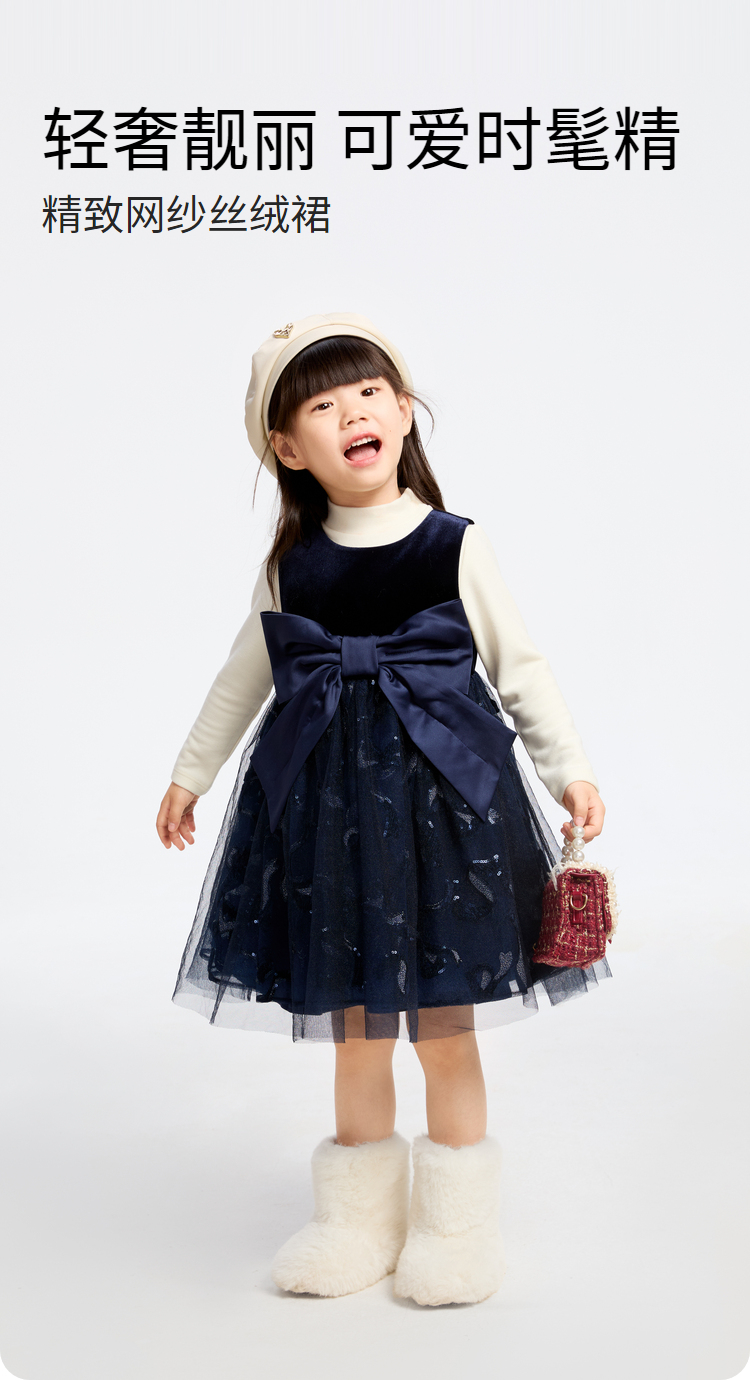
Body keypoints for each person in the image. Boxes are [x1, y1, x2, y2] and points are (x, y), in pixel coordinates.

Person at [155, 312, 608, 1307]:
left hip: (448, 818)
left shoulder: (456, 545)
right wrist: (191, 774)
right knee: (355, 1031)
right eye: (322, 405)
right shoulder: (292, 563)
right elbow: (243, 677)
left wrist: (568, 768)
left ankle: (456, 1230)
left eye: (368, 393)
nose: (352, 412)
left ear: (404, 412)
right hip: (331, 823)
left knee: (443, 1029)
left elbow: (521, 667)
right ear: (288, 447)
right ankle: (354, 1224)